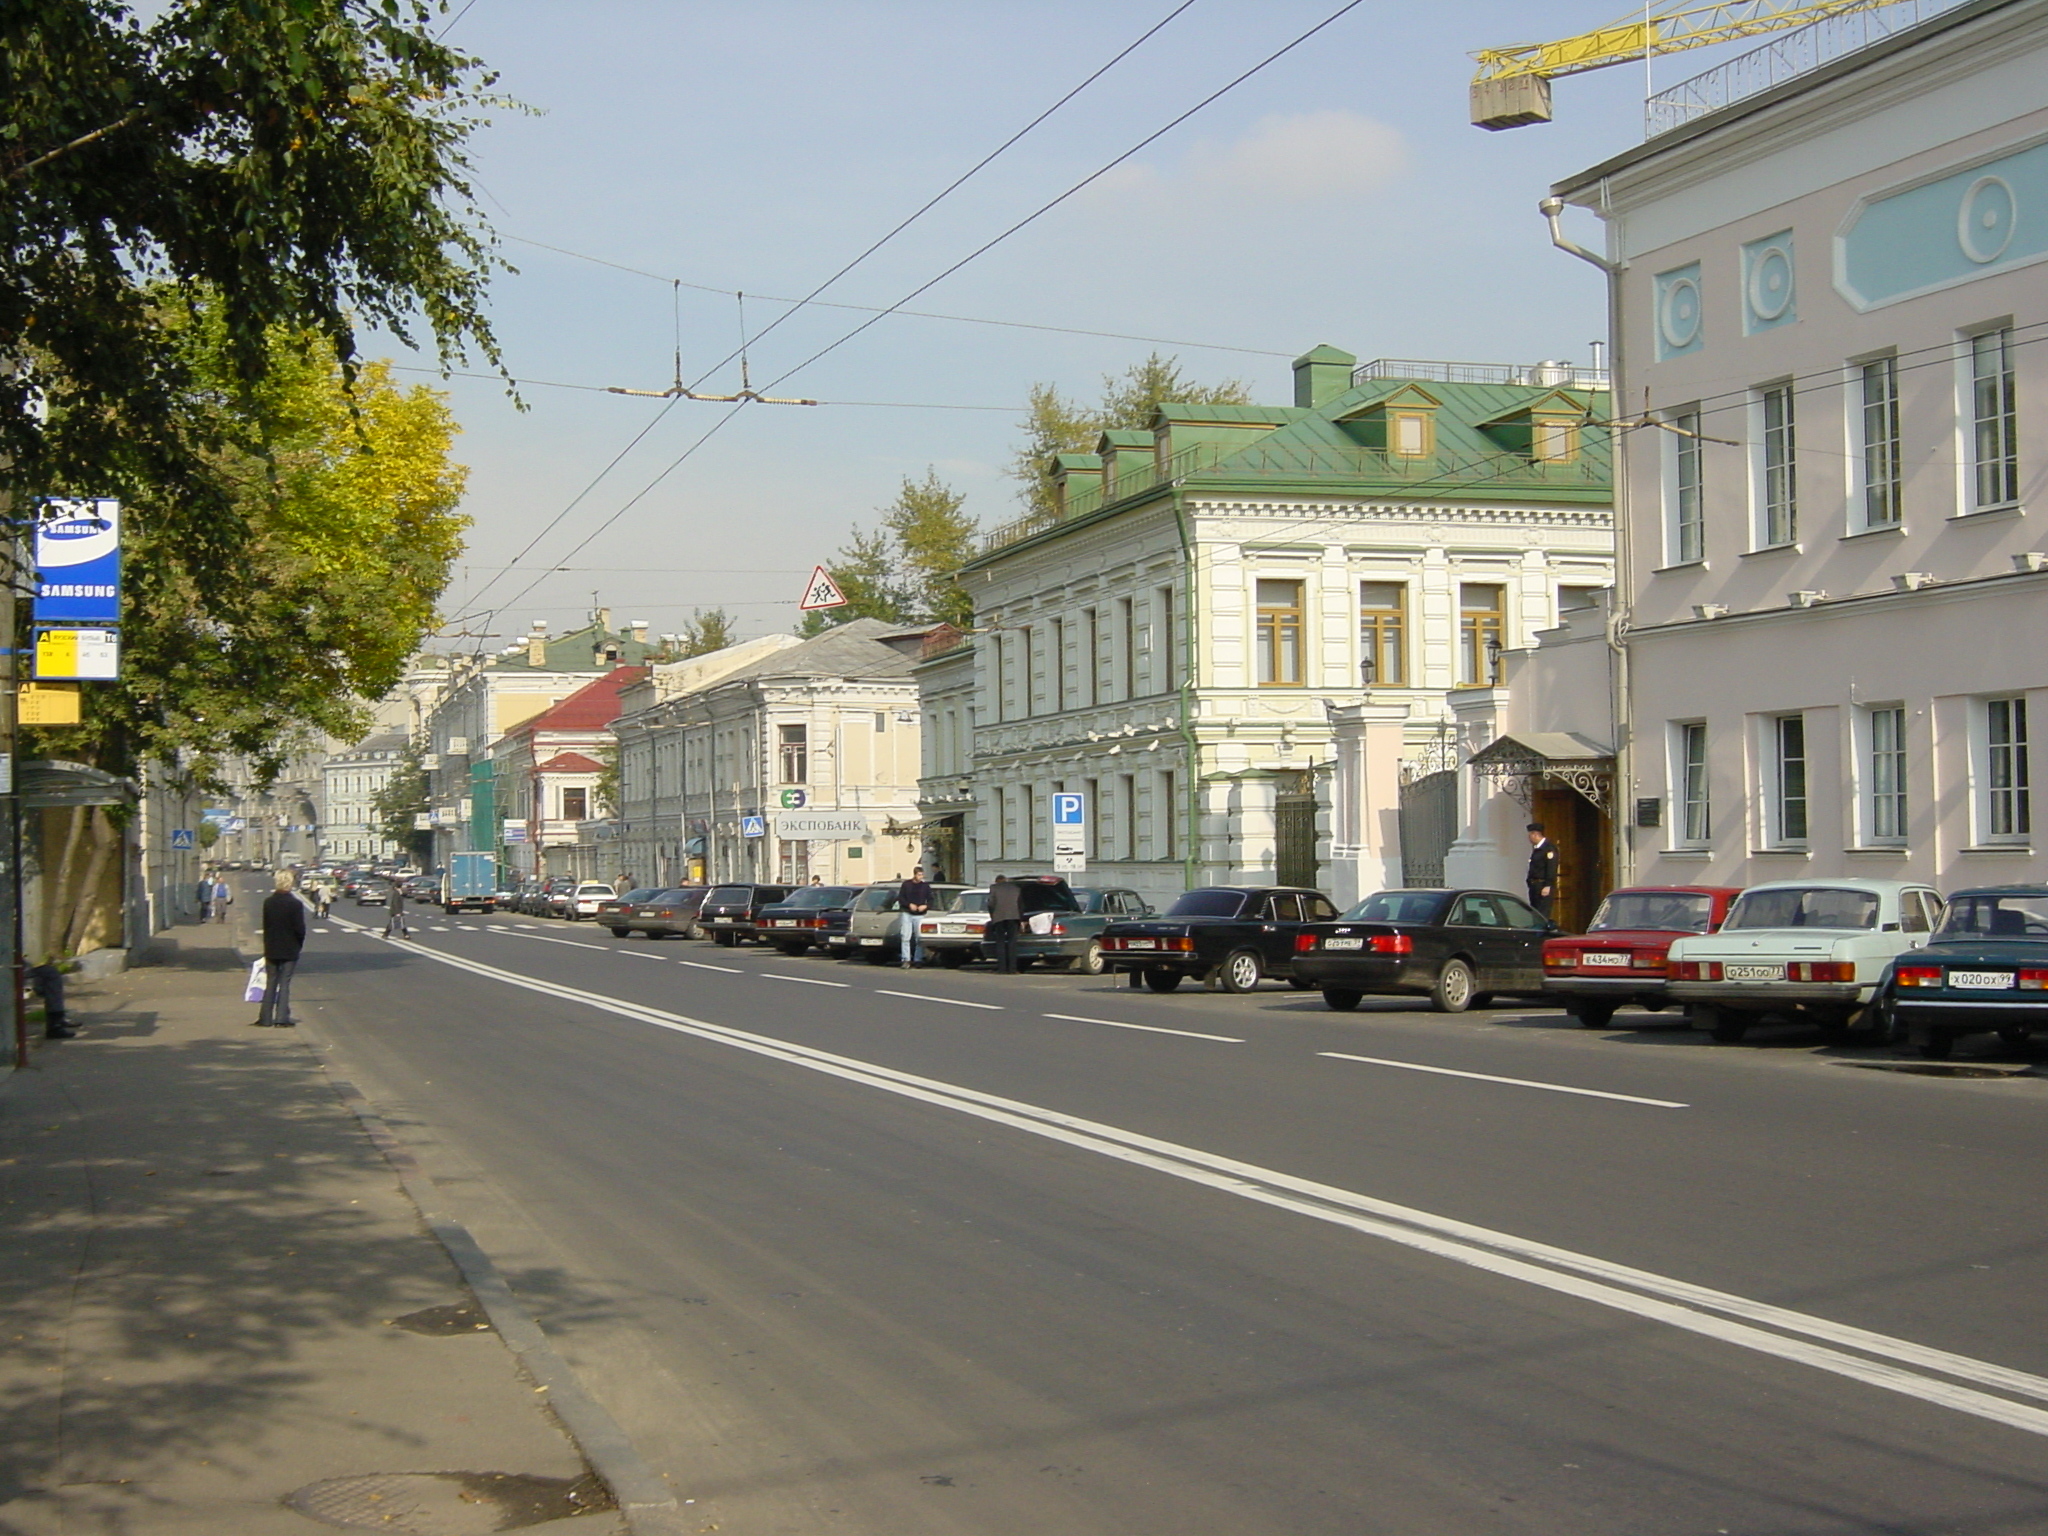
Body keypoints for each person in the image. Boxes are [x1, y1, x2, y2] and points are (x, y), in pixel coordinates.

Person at [254, 870, 307, 1027]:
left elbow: (266, 926)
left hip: (271, 947)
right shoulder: (295, 904)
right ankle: (281, 1018)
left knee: (270, 982)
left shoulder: (268, 902)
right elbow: (300, 929)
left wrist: (267, 945)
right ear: (290, 883)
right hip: (290, 948)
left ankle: (265, 1018)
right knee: (284, 983)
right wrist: (298, 945)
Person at [897, 866, 933, 968]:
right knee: (905, 936)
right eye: (919, 875)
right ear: (915, 874)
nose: (921, 877)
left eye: (922, 875)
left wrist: (925, 906)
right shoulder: (906, 885)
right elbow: (901, 898)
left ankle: (918, 959)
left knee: (919, 938)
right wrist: (909, 904)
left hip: (920, 915)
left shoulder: (925, 886)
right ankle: (906, 959)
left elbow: (931, 899)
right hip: (907, 913)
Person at [986, 874, 1022, 974]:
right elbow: (1020, 904)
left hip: (999, 917)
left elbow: (990, 903)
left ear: (997, 881)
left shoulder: (994, 888)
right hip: (1014, 917)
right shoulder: (1016, 888)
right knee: (1012, 943)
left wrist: (992, 915)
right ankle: (1012, 969)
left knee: (1000, 943)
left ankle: (1002, 968)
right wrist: (1021, 919)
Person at [1526, 822, 1560, 920]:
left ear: (1535, 834)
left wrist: (1548, 885)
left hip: (1543, 886)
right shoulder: (1537, 849)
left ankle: (1541, 933)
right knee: (1535, 913)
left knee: (1542, 914)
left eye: (1530, 835)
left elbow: (1551, 867)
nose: (1529, 838)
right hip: (1534, 886)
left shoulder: (1548, 848)